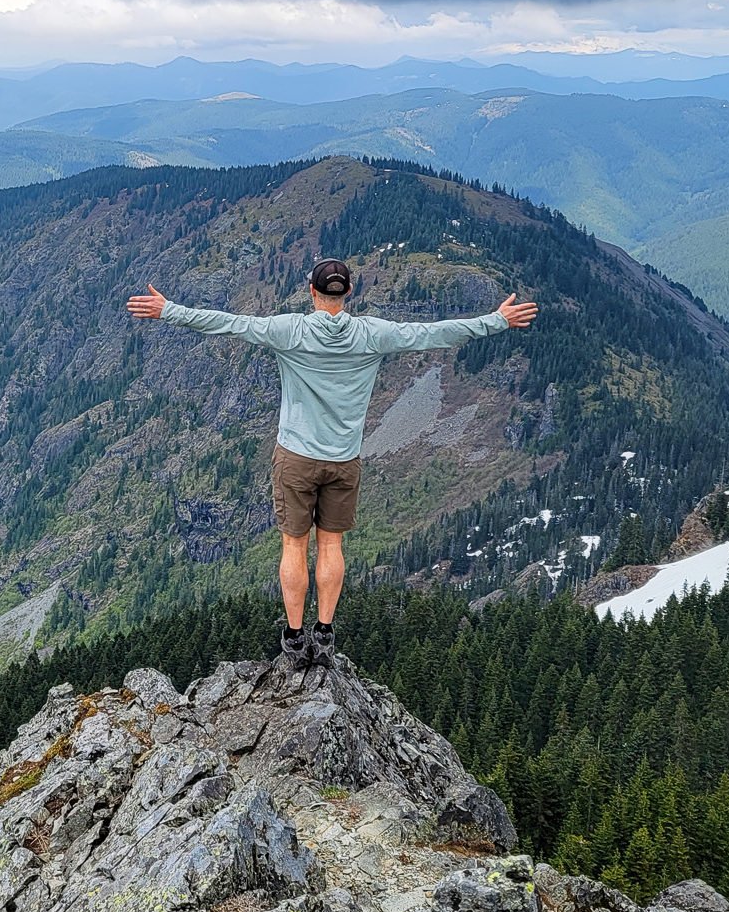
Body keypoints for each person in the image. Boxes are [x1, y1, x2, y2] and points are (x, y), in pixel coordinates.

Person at [126, 258, 538, 668]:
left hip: (296, 457)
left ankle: (293, 636)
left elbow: (230, 323)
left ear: (312, 292)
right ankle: (324, 633)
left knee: (293, 545)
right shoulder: (373, 335)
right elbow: (436, 334)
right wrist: (497, 320)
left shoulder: (289, 331)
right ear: (349, 293)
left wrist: (170, 311)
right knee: (331, 545)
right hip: (343, 458)